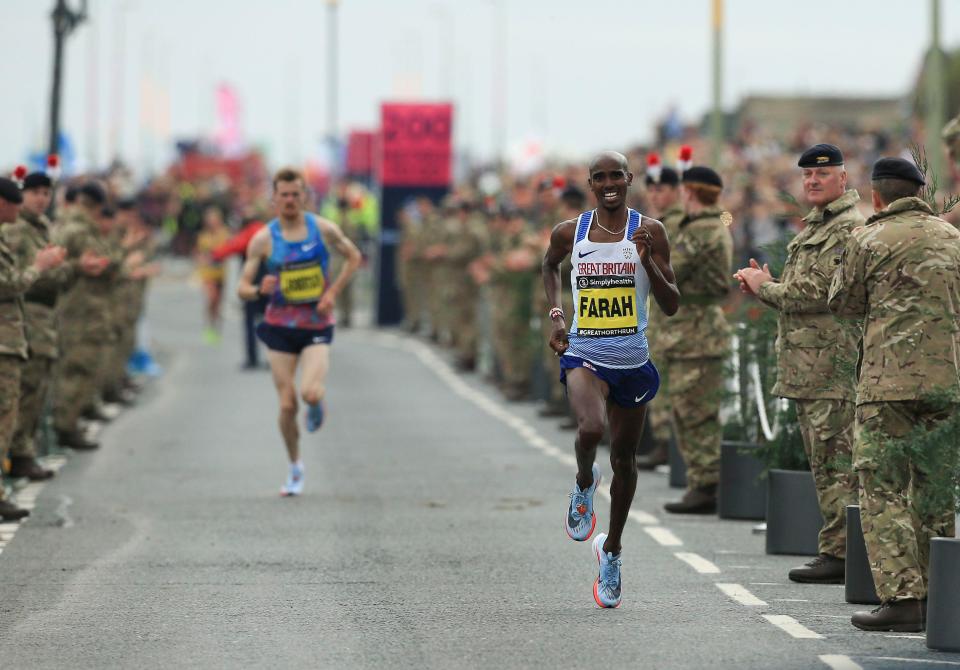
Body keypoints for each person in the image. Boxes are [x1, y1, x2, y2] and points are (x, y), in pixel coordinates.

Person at [828, 157, 960, 633]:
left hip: (886, 385)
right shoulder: (953, 238)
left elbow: (843, 303)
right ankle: (943, 595)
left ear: (878, 196)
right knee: (935, 488)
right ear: (919, 192)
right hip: (947, 382)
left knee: (882, 487)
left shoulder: (866, 238)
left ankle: (903, 598)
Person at [542, 151, 679, 608]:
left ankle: (612, 550)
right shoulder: (572, 232)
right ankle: (584, 482)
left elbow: (672, 302)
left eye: (615, 175)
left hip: (632, 359)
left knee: (624, 458)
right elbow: (549, 265)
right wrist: (557, 315)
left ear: (628, 178)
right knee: (591, 429)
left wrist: (649, 262)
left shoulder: (650, 231)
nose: (608, 183)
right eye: (599, 177)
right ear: (591, 184)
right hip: (584, 351)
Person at [735, 144, 861, 583]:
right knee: (825, 460)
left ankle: (843, 553)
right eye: (807, 175)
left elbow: (817, 293)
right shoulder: (818, 226)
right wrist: (768, 283)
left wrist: (765, 287)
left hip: (831, 365)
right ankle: (837, 548)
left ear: (843, 179)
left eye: (822, 175)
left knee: (836, 461)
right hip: (812, 365)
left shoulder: (845, 228)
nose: (812, 181)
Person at [238, 168, 361, 497]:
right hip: (279, 326)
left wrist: (332, 292)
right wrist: (257, 290)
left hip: (315, 325)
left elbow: (354, 256)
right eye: (284, 195)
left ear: (304, 196)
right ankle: (295, 467)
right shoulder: (264, 239)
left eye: (296, 194)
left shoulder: (322, 229)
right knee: (287, 406)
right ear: (274, 198)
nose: (290, 200)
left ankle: (317, 403)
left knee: (309, 393)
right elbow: (241, 287)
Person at [662, 166, 733, 514]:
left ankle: (706, 483)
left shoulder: (702, 230)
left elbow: (669, 269)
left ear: (689, 193)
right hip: (691, 332)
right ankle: (701, 481)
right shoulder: (707, 226)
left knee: (696, 413)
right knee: (687, 409)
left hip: (697, 333)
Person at [0, 176, 66, 519]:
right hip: (9, 334)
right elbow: (9, 284)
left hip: (18, 331)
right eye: (30, 194)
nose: (39, 200)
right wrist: (38, 268)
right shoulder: (13, 232)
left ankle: (22, 455)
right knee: (8, 407)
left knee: (22, 399)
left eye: (45, 193)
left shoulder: (30, 230)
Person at [52, 182, 116, 450]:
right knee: (76, 369)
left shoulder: (78, 227)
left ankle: (70, 422)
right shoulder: (76, 230)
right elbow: (55, 265)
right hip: (79, 310)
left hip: (87, 308)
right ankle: (65, 425)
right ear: (96, 206)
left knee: (83, 368)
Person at [637, 155, 684, 470]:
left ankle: (670, 443)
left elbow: (675, 269)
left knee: (674, 379)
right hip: (653, 314)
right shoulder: (649, 224)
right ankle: (661, 439)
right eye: (651, 189)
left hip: (677, 313)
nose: (655, 195)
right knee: (657, 374)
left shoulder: (678, 224)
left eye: (663, 188)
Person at [211, 215, 267, 370]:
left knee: (249, 322)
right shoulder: (267, 231)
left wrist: (215, 255)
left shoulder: (250, 233)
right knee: (272, 320)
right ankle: (276, 357)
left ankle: (252, 358)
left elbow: (233, 246)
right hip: (269, 282)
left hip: (252, 284)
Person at [195, 206, 230, 344]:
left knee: (218, 302)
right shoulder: (203, 236)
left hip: (221, 273)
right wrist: (201, 260)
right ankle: (209, 327)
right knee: (211, 298)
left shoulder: (225, 233)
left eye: (214, 220)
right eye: (209, 220)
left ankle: (216, 327)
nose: (211, 223)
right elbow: (199, 253)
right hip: (208, 273)